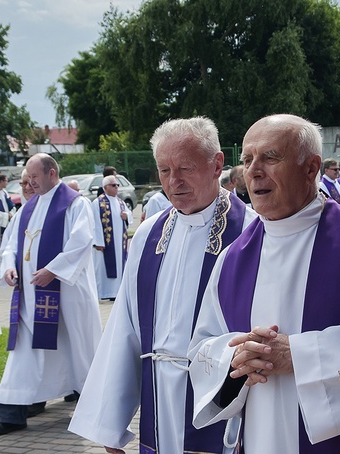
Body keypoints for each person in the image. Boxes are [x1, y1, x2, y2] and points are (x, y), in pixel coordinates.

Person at [188, 114, 340, 453]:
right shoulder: (233, 259)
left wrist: (299, 357)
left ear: (310, 167)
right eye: (247, 160)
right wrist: (235, 359)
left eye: (270, 157)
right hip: (265, 438)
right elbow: (202, 347)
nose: (253, 171)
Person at [69, 117, 256, 453]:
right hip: (158, 395)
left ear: (217, 165)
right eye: (164, 170)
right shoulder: (148, 235)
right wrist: (111, 426)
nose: (174, 181)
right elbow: (124, 330)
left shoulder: (251, 233)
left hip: (222, 401)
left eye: (184, 168)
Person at [0, 153, 102, 436]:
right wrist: (8, 269)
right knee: (23, 353)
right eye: (27, 179)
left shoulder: (76, 203)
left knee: (79, 351)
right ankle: (14, 413)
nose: (30, 183)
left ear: (52, 173)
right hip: (30, 298)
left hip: (67, 297)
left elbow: (81, 241)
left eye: (34, 177)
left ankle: (98, 407)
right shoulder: (28, 208)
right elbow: (9, 245)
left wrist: (52, 270)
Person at [91, 175, 131, 300]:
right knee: (104, 268)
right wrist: (98, 241)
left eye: (117, 185)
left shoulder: (120, 202)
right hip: (105, 244)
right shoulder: (98, 203)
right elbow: (95, 223)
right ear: (105, 187)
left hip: (119, 243)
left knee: (120, 266)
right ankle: (105, 293)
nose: (116, 188)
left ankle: (117, 291)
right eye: (113, 185)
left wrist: (127, 216)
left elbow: (129, 214)